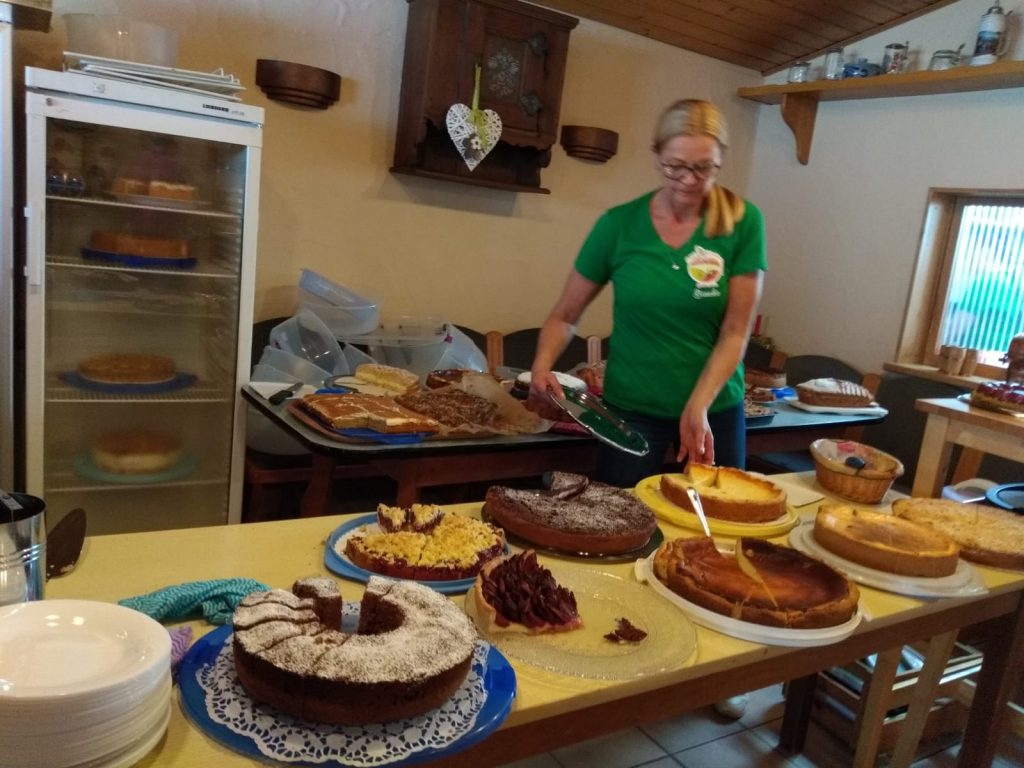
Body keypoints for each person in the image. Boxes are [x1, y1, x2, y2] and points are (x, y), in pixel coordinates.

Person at [526, 98, 766, 719]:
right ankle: (616, 647)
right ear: (656, 157)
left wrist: (698, 405)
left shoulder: (742, 223)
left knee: (715, 539)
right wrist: (544, 363)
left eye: (704, 168)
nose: (689, 181)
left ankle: (722, 668)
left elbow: (736, 331)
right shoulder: (620, 225)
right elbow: (564, 314)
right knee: (614, 531)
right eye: (676, 166)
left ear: (720, 163)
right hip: (630, 410)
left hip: (713, 412)